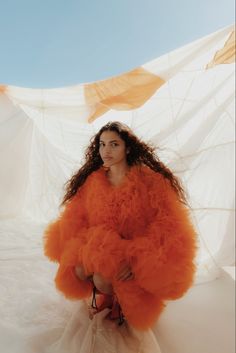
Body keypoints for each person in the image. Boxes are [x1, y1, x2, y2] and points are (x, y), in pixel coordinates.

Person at [43, 121, 198, 330]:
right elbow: (77, 219)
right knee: (78, 270)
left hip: (135, 249)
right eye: (102, 144)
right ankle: (107, 297)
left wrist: (139, 261)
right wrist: (83, 250)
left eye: (114, 144)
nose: (106, 150)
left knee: (102, 279)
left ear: (128, 147)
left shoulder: (150, 182)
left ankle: (121, 301)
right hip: (103, 247)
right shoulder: (94, 181)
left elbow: (168, 226)